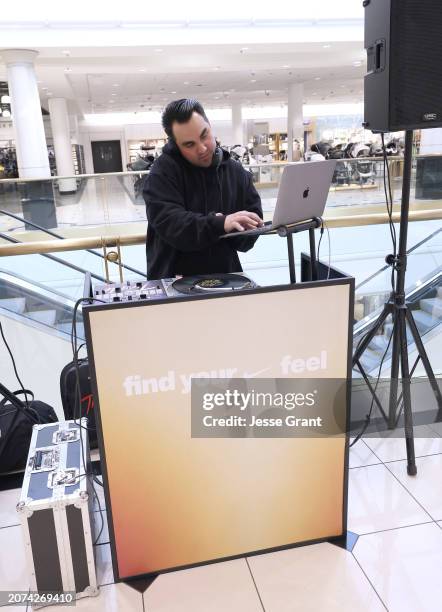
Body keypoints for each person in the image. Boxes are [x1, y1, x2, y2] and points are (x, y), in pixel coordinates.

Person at [143, 98, 263, 279]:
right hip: (173, 283)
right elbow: (172, 224)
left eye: (204, 135)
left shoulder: (234, 171)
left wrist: (242, 228)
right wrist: (221, 224)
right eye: (189, 144)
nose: (202, 148)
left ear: (210, 125)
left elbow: (249, 231)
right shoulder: (161, 174)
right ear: (175, 143)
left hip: (227, 279)